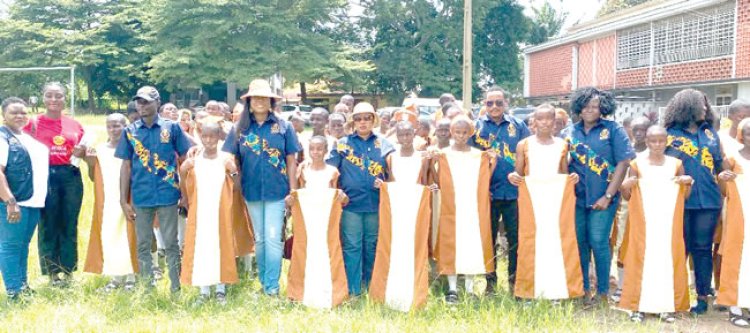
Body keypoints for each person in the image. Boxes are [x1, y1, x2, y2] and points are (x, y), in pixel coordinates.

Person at [223, 79, 300, 296]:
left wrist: (292, 191)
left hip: (278, 191)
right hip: (252, 190)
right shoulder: (240, 128)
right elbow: (229, 155)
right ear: (248, 101)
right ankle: (264, 283)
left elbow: (292, 160)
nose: (259, 101)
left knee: (274, 238)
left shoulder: (284, 127)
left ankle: (272, 287)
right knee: (260, 238)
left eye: (264, 98)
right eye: (255, 98)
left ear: (271, 101)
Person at [116, 86, 193, 293]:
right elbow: (125, 166)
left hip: (168, 193)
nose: (141, 106)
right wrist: (123, 201)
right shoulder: (130, 131)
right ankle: (147, 288)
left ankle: (176, 287)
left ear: (157, 102)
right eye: (139, 102)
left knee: (170, 243)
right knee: (143, 244)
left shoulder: (172, 128)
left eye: (146, 102)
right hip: (141, 196)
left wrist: (185, 194)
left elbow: (185, 160)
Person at [562, 87, 634, 306]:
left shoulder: (613, 130)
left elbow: (624, 162)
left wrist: (609, 195)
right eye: (585, 106)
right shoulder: (570, 132)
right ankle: (583, 289)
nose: (590, 110)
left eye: (595, 106)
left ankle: (603, 292)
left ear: (603, 107)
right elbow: (562, 161)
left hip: (604, 199)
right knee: (580, 243)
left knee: (599, 242)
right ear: (578, 108)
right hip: (577, 199)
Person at [508, 104, 582, 302]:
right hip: (532, 201)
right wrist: (513, 176)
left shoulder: (562, 144)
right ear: (534, 122)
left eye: (549, 119)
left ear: (555, 122)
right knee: (530, 242)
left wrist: (570, 179)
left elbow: (563, 173)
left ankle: (555, 290)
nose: (545, 123)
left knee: (555, 242)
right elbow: (519, 172)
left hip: (555, 202)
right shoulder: (524, 144)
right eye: (540, 119)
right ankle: (529, 292)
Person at [618, 125, 693, 323]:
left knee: (666, 260)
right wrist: (625, 186)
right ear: (647, 141)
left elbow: (685, 195)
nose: (657, 144)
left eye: (661, 140)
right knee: (642, 259)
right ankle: (638, 306)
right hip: (644, 222)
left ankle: (666, 306)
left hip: (668, 221)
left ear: (667, 141)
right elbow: (627, 195)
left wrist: (687, 182)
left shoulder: (676, 163)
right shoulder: (637, 164)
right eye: (653, 141)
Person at [663, 89, 723, 314]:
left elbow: (719, 165)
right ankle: (674, 296)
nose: (706, 109)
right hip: (678, 200)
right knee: (680, 248)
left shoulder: (710, 134)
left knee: (702, 249)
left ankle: (702, 297)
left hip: (708, 201)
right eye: (701, 105)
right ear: (687, 106)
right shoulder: (668, 134)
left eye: (706, 105)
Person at [327, 102, 395, 296]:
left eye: (367, 118)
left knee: (372, 245)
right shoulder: (342, 143)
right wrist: (337, 191)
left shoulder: (384, 144)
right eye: (358, 118)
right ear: (353, 121)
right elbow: (329, 171)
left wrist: (384, 183)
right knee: (352, 245)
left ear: (374, 120)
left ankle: (371, 285)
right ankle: (353, 288)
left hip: (375, 204)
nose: (363, 122)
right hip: (351, 205)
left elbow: (395, 172)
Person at [23, 82, 87, 287]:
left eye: (58, 96)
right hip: (44, 175)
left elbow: (84, 148)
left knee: (69, 223)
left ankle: (68, 271)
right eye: (49, 95)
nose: (54, 100)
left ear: (64, 99)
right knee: (48, 224)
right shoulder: (32, 124)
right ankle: (52, 273)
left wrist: (83, 152)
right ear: (43, 98)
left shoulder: (74, 125)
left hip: (70, 176)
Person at [470, 86, 531, 295]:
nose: (494, 107)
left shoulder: (519, 126)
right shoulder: (475, 128)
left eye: (498, 102)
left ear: (505, 103)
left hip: (514, 194)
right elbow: (469, 159)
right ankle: (490, 282)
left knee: (515, 239)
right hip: (487, 194)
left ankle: (515, 281)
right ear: (484, 104)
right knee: (488, 238)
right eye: (489, 103)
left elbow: (529, 154)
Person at [371, 121, 433, 311]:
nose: (405, 139)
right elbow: (391, 182)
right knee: (393, 246)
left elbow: (426, 181)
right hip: (396, 210)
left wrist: (429, 189)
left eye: (408, 134)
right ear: (396, 136)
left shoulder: (423, 158)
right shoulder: (390, 158)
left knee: (414, 247)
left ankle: (415, 290)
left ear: (414, 134)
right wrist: (381, 185)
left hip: (415, 210)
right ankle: (390, 289)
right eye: (401, 135)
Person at [435, 116, 496, 304]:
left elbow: (486, 177)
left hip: (472, 206)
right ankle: (452, 288)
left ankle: (469, 289)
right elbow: (435, 176)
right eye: (457, 132)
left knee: (471, 244)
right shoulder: (443, 154)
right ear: (451, 132)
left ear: (471, 133)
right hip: (450, 206)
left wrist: (492, 161)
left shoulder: (478, 155)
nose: (461, 136)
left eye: (465, 132)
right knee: (450, 243)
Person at [179, 122, 241, 306]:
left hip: (220, 212)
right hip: (200, 212)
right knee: (201, 248)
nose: (208, 140)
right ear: (199, 136)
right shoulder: (194, 159)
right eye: (204, 136)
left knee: (221, 246)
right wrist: (183, 171)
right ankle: (204, 290)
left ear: (218, 137)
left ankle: (220, 289)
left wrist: (234, 172)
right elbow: (185, 184)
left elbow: (236, 188)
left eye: (212, 136)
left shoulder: (225, 158)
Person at [287, 136, 348, 309]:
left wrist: (342, 198)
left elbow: (339, 196)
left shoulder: (333, 171)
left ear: (326, 150)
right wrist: (291, 200)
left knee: (328, 251)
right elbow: (297, 193)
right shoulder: (302, 170)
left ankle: (331, 291)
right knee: (305, 250)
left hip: (326, 219)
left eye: (319, 149)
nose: (316, 152)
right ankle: (300, 291)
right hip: (307, 219)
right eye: (312, 148)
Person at [82, 113, 138, 293]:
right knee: (110, 236)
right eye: (110, 126)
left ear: (126, 126)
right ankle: (115, 277)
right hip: (107, 200)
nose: (114, 130)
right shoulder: (99, 150)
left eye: (118, 125)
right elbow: (93, 178)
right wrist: (90, 163)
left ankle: (131, 276)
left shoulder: (133, 148)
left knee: (129, 235)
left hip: (128, 198)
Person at [0, 98, 48, 300]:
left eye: (23, 112)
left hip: (33, 201)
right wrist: (10, 201)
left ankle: (22, 285)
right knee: (11, 246)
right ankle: (14, 291)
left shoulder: (24, 136)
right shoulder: (2, 138)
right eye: (14, 113)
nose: (20, 116)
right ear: (3, 115)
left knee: (22, 245)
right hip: (15, 203)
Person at [611, 116, 652, 302]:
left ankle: (643, 283)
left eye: (642, 129)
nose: (638, 133)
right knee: (622, 244)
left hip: (648, 206)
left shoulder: (655, 154)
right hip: (625, 205)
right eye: (634, 129)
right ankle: (621, 286)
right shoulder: (625, 152)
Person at [716, 119, 750, 328]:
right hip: (739, 216)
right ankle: (734, 307)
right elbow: (723, 189)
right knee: (735, 256)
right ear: (741, 135)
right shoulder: (732, 158)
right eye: (748, 133)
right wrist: (723, 177)